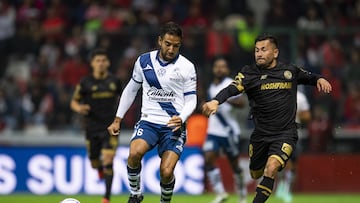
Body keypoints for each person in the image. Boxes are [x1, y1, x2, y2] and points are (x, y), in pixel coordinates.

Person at [202, 33, 332, 203]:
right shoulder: (249, 74)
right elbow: (231, 89)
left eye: (264, 49)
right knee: (255, 173)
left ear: (275, 52)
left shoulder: (289, 71)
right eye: (256, 50)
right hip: (260, 135)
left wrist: (320, 79)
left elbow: (310, 77)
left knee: (271, 169)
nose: (259, 54)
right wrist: (215, 101)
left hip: (285, 134)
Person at [107, 22, 197, 203]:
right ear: (160, 41)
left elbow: (191, 100)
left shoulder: (187, 67)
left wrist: (182, 117)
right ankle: (136, 194)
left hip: (173, 126)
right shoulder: (143, 61)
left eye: (176, 46)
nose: (171, 49)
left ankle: (165, 201)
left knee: (166, 172)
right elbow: (131, 90)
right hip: (148, 121)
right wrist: (118, 118)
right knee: (133, 154)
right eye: (168, 44)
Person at [70, 49, 122, 203]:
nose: (101, 63)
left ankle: (106, 197)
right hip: (91, 127)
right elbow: (73, 101)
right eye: (97, 60)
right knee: (94, 161)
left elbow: (125, 98)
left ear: (108, 63)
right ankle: (99, 169)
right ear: (92, 63)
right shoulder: (85, 83)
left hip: (110, 127)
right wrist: (79, 108)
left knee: (108, 158)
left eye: (103, 60)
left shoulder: (115, 81)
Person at [203, 56, 247, 203]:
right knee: (209, 159)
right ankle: (221, 193)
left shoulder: (231, 84)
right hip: (213, 131)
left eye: (222, 66)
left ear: (227, 69)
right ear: (213, 69)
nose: (219, 69)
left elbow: (241, 103)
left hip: (229, 131)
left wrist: (222, 99)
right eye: (217, 66)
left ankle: (242, 195)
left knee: (234, 165)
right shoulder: (210, 86)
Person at [275, 90, 311, 203]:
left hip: (294, 135)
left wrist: (297, 113)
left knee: (292, 165)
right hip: (278, 134)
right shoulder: (276, 95)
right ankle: (283, 187)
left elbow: (307, 116)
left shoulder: (300, 97)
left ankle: (286, 189)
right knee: (282, 162)